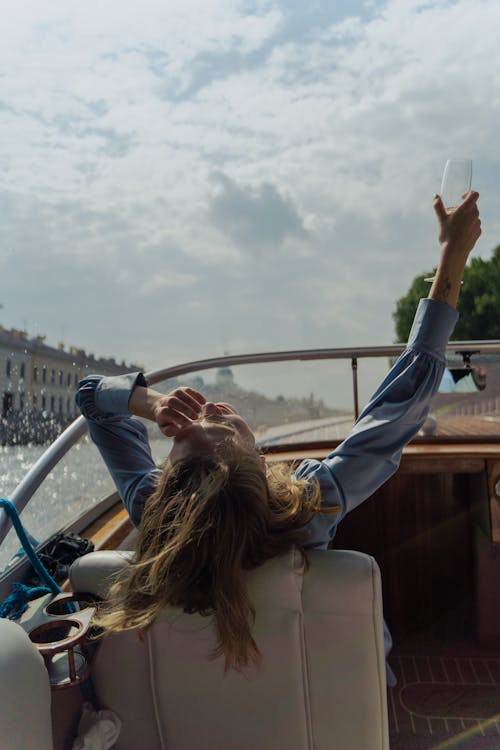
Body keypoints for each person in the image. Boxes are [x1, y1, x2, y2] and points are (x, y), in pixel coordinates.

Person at [76, 192, 481, 679]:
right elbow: (400, 408)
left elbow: (90, 400)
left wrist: (149, 403)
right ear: (256, 460)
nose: (206, 408)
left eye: (186, 426)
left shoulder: (153, 510)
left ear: (168, 487)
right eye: (218, 423)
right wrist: (453, 254)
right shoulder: (307, 505)